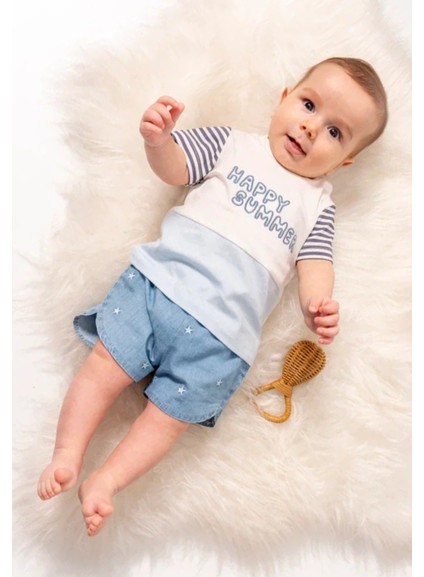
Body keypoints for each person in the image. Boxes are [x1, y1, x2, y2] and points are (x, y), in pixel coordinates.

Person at [37, 57, 388, 536]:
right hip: (158, 287)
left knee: (167, 420)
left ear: (344, 161)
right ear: (283, 99)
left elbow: (317, 266)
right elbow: (176, 168)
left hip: (221, 340)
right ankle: (67, 451)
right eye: (308, 105)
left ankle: (108, 480)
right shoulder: (231, 144)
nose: (310, 128)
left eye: (334, 132)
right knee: (103, 365)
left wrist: (316, 306)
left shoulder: (317, 207)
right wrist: (159, 141)